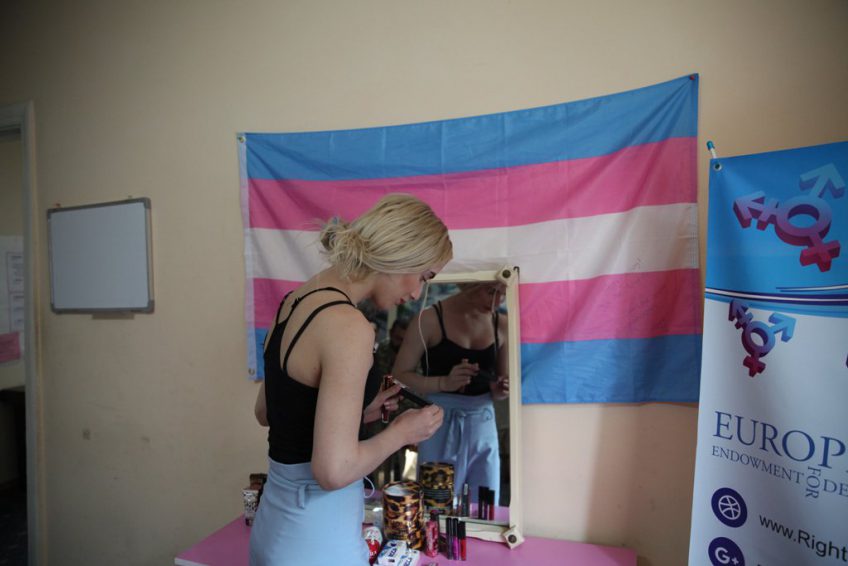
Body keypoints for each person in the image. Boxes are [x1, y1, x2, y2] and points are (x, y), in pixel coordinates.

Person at [250, 194, 452, 566]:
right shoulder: (349, 326)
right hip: (316, 535)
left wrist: (359, 412)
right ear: (401, 255)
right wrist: (402, 433)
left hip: (275, 522)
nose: (416, 294)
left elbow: (268, 411)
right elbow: (333, 471)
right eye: (424, 276)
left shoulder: (295, 300)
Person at [392, 282, 509, 507]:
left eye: (503, 294)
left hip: (482, 420)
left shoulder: (502, 324)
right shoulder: (428, 319)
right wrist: (443, 382)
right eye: (491, 291)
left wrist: (499, 389)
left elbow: (502, 388)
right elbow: (399, 375)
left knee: (485, 501)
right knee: (435, 501)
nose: (498, 301)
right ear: (467, 286)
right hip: (439, 420)